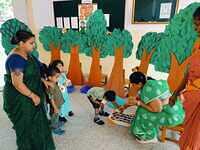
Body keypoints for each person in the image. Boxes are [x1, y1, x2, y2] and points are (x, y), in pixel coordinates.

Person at [3, 30, 55, 150]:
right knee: (26, 129)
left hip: (32, 96)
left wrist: (45, 81)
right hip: (21, 99)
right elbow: (17, 84)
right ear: (21, 43)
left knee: (39, 126)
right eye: (31, 43)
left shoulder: (27, 54)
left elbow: (34, 72)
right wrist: (33, 95)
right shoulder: (16, 60)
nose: (34, 45)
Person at [169, 6, 200, 150]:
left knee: (195, 140)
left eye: (199, 24)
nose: (196, 29)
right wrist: (176, 92)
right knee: (187, 138)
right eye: (195, 25)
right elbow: (188, 72)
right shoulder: (197, 45)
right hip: (191, 99)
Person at [129, 72, 185, 144]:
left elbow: (157, 109)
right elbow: (156, 99)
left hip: (172, 116)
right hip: (177, 110)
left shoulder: (147, 90)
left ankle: (149, 136)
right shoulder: (150, 82)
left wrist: (139, 103)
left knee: (142, 113)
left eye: (133, 84)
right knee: (142, 108)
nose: (132, 86)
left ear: (139, 83)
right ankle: (148, 130)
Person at [46, 66, 65, 135]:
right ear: (50, 78)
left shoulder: (54, 83)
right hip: (55, 105)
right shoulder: (51, 86)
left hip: (58, 104)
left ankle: (54, 123)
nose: (58, 78)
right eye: (56, 77)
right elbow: (51, 98)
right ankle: (55, 128)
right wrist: (55, 107)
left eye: (58, 77)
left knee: (56, 116)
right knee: (55, 116)